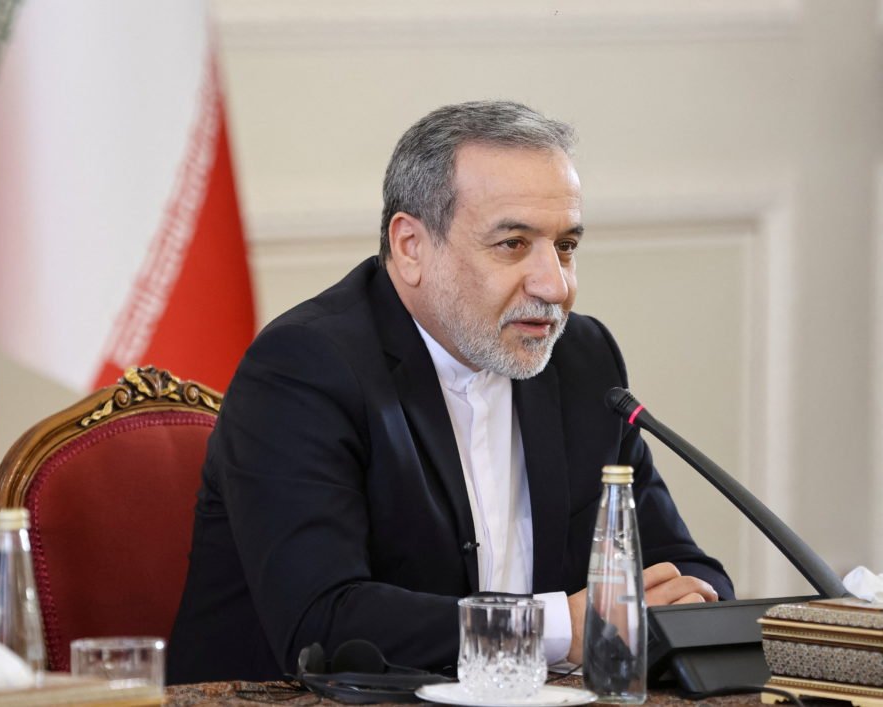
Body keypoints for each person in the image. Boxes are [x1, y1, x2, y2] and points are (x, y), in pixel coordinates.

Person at [167, 100, 733, 684]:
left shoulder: (581, 360)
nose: (555, 285)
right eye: (513, 244)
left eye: (565, 246)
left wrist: (689, 605)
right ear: (411, 246)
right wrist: (559, 627)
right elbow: (322, 625)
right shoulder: (304, 369)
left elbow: (684, 569)